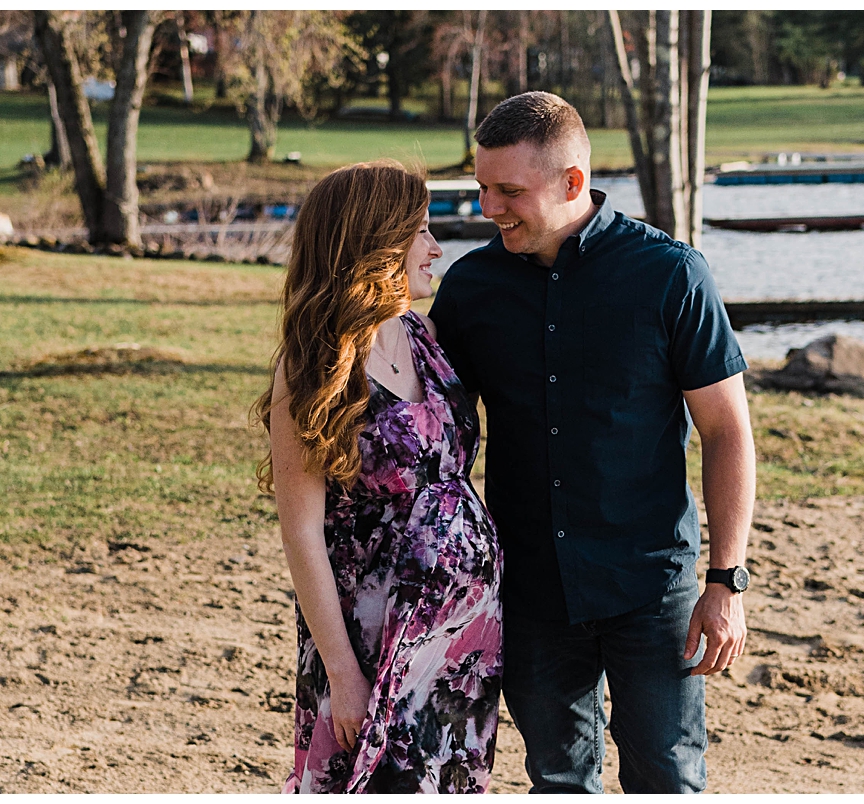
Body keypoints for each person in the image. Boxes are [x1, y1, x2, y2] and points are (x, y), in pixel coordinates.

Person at [429, 92, 755, 794]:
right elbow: (427, 426)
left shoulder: (670, 276)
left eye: (510, 191)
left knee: (666, 779)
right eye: (483, 187)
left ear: (573, 182)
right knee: (557, 780)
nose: (490, 207)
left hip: (651, 587)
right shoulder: (469, 289)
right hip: (530, 591)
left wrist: (726, 581)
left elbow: (727, 431)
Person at [253, 161, 502, 794]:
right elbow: (302, 532)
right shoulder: (314, 367)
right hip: (370, 633)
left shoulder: (425, 335)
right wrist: (343, 673)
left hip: (458, 637)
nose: (435, 247)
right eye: (418, 232)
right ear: (375, 242)